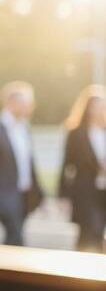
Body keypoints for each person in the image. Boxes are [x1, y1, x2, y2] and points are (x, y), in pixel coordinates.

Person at [0, 81, 45, 246]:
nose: (30, 107)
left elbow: (29, 165)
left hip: (25, 195)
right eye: (26, 103)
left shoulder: (24, 128)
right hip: (4, 196)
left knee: (13, 238)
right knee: (16, 237)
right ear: (12, 103)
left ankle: (0, 269)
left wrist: (40, 196)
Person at [59, 85, 106, 253]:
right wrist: (63, 196)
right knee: (90, 230)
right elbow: (66, 165)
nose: (101, 110)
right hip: (86, 191)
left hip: (103, 192)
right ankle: (83, 273)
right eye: (97, 106)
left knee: (99, 233)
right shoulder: (76, 133)